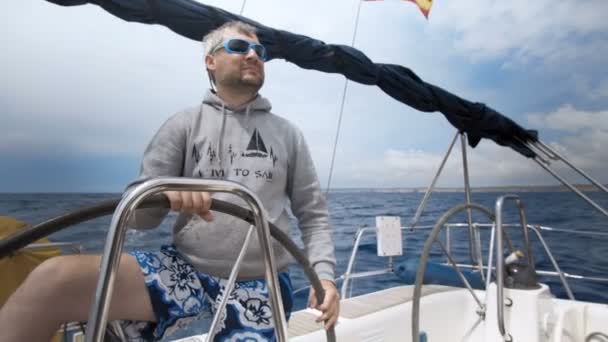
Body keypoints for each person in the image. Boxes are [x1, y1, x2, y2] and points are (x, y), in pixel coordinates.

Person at [0, 21, 339, 341]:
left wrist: (323, 276)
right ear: (210, 61)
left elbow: (313, 213)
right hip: (184, 267)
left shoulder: (287, 135)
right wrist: (163, 194)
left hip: (262, 282)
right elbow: (136, 216)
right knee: (55, 280)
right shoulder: (183, 124)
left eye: (259, 52)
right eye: (239, 47)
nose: (253, 55)